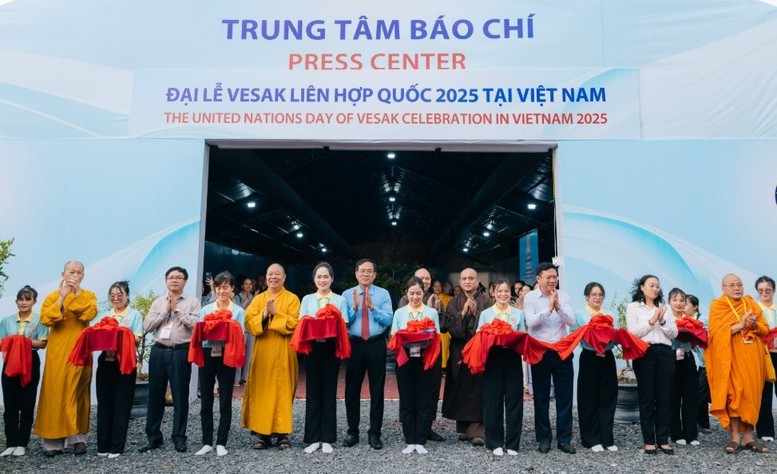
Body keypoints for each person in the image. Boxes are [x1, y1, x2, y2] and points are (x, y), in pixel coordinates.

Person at [36, 261, 98, 456]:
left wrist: (77, 293)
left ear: (83, 276)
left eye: (79, 272)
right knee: (54, 391)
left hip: (80, 350)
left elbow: (89, 313)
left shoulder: (88, 295)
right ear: (63, 274)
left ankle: (78, 439)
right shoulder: (52, 296)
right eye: (71, 272)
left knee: (78, 392)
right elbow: (45, 319)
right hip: (58, 351)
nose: (74, 275)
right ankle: (52, 442)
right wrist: (62, 298)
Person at [140, 266, 200, 454]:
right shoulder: (158, 302)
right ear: (166, 281)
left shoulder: (192, 302)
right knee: (155, 395)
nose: (174, 280)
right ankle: (153, 437)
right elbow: (147, 326)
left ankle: (179, 437)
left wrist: (177, 311)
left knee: (180, 395)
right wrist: (164, 311)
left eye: (178, 277)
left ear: (185, 281)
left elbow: (196, 325)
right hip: (159, 351)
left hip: (180, 352)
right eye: (171, 277)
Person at [708, 274, 771, 453]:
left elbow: (765, 329)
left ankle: (749, 437)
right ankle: (735, 437)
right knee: (734, 394)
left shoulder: (750, 303)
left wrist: (754, 325)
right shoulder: (718, 305)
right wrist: (741, 324)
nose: (737, 288)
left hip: (753, 358)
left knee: (752, 395)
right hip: (732, 357)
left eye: (739, 284)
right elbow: (714, 334)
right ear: (723, 289)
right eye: (732, 285)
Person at [242, 263, 300, 450]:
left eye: (277, 274)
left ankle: (282, 435)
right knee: (262, 391)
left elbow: (295, 323)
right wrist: (265, 314)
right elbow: (249, 322)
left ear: (284, 277)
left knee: (283, 391)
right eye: (270, 274)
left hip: (284, 350)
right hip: (263, 351)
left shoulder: (292, 299)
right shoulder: (259, 299)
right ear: (266, 277)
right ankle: (263, 435)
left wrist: (277, 314)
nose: (273, 277)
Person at [524, 262, 576, 454]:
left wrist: (559, 307)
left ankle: (564, 439)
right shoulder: (530, 297)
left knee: (565, 397)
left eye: (555, 277)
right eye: (549, 277)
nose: (553, 280)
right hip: (540, 352)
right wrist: (548, 309)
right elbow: (530, 322)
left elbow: (571, 321)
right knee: (541, 397)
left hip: (562, 351)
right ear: (539, 279)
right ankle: (544, 438)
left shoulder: (564, 296)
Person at [343, 259, 393, 450]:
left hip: (375, 344)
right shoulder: (347, 294)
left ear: (374, 274)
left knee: (377, 389)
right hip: (354, 344)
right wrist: (355, 307)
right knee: (351, 389)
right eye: (362, 271)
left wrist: (373, 308)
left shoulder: (383, 294)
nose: (365, 274)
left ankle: (375, 433)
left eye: (369, 271)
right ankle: (352, 432)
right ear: (356, 273)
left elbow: (388, 319)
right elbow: (343, 321)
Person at [299, 262, 348, 454]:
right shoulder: (307, 299)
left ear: (332, 279)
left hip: (331, 348)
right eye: (319, 277)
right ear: (314, 279)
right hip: (312, 348)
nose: (322, 280)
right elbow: (301, 322)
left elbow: (344, 322)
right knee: (313, 393)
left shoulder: (339, 300)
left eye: (326, 276)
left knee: (329, 392)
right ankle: (313, 438)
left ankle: (327, 438)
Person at [626, 274, 677, 455]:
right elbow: (632, 332)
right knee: (646, 397)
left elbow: (674, 333)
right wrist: (651, 321)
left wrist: (662, 321)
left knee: (665, 397)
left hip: (665, 353)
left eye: (657, 286)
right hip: (644, 352)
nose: (655, 289)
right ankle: (648, 440)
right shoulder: (633, 307)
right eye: (651, 285)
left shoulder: (665, 308)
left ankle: (663, 439)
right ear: (642, 287)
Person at [196, 271, 245, 456]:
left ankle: (221, 442)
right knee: (206, 399)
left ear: (232, 289)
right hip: (208, 353)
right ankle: (207, 442)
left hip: (227, 354)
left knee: (225, 399)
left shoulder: (238, 311)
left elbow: (240, 337)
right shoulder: (206, 310)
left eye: (225, 287)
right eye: (218, 287)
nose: (221, 291)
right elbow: (200, 334)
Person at [442, 267, 492, 446]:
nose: (467, 281)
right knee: (460, 385)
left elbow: (491, 324)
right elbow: (448, 327)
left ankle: (476, 431)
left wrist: (477, 314)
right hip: (459, 348)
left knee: (478, 387)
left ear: (477, 281)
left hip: (479, 348)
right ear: (460, 282)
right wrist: (462, 313)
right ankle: (463, 428)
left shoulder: (487, 301)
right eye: (464, 279)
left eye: (471, 278)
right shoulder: (454, 302)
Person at [391, 276, 441, 455]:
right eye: (411, 293)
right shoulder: (400, 313)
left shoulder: (431, 313)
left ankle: (420, 440)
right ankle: (409, 440)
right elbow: (394, 336)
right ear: (407, 293)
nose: (415, 297)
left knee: (423, 399)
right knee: (407, 400)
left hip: (424, 359)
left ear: (423, 293)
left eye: (418, 293)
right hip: (405, 359)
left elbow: (436, 337)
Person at [95, 281, 143, 458]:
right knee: (104, 403)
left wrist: (120, 332)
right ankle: (103, 445)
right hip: (106, 361)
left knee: (122, 404)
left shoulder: (134, 315)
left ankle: (116, 447)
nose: (116, 298)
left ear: (127, 296)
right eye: (112, 295)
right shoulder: (105, 315)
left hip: (125, 361)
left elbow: (137, 339)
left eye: (120, 295)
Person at [0, 286, 48, 457]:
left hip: (30, 360)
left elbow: (43, 343)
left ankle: (22, 443)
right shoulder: (7, 321)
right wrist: (14, 341)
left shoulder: (40, 320)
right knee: (10, 404)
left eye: (28, 299)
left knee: (27, 403)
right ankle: (11, 442)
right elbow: (1, 343)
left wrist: (23, 341)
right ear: (16, 301)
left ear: (34, 301)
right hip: (11, 361)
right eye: (21, 299)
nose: (24, 302)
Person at [478, 279, 525, 456]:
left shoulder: (518, 314)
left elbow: (523, 335)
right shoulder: (486, 314)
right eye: (500, 291)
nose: (503, 294)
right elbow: (480, 337)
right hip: (493, 358)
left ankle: (513, 443)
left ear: (510, 293)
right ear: (493, 293)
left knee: (514, 401)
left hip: (512, 357)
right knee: (493, 401)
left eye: (506, 291)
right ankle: (494, 442)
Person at [574, 282, 618, 453]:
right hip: (590, 357)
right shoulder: (580, 314)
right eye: (594, 294)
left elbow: (615, 334)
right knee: (588, 398)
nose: (597, 298)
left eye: (600, 295)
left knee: (608, 397)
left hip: (607, 356)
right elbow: (574, 335)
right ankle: (591, 439)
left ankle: (607, 437)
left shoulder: (609, 314)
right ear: (587, 297)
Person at [667, 287, 699, 446]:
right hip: (671, 360)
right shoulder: (666, 319)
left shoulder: (690, 319)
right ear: (669, 302)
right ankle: (675, 433)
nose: (679, 303)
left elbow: (695, 341)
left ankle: (691, 434)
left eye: (682, 300)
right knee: (673, 398)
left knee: (690, 397)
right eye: (675, 300)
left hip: (687, 358)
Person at [684, 294, 710, 433]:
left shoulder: (702, 320)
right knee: (701, 393)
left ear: (695, 307)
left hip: (710, 363)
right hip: (702, 363)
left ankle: (698, 424)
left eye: (686, 304)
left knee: (699, 393)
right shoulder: (686, 321)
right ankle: (703, 424)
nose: (683, 307)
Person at [755, 276, 777, 442]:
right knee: (764, 393)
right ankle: (765, 430)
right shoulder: (754, 310)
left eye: (768, 290)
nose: (764, 293)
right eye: (761, 290)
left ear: (773, 291)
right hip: (762, 355)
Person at [233, 276, 254, 386]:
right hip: (241, 329)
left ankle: (245, 378)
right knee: (240, 353)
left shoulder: (253, 296)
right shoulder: (237, 297)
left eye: (250, 284)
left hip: (251, 328)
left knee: (249, 355)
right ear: (242, 286)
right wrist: (248, 300)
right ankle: (237, 379)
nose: (248, 286)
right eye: (246, 284)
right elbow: (239, 310)